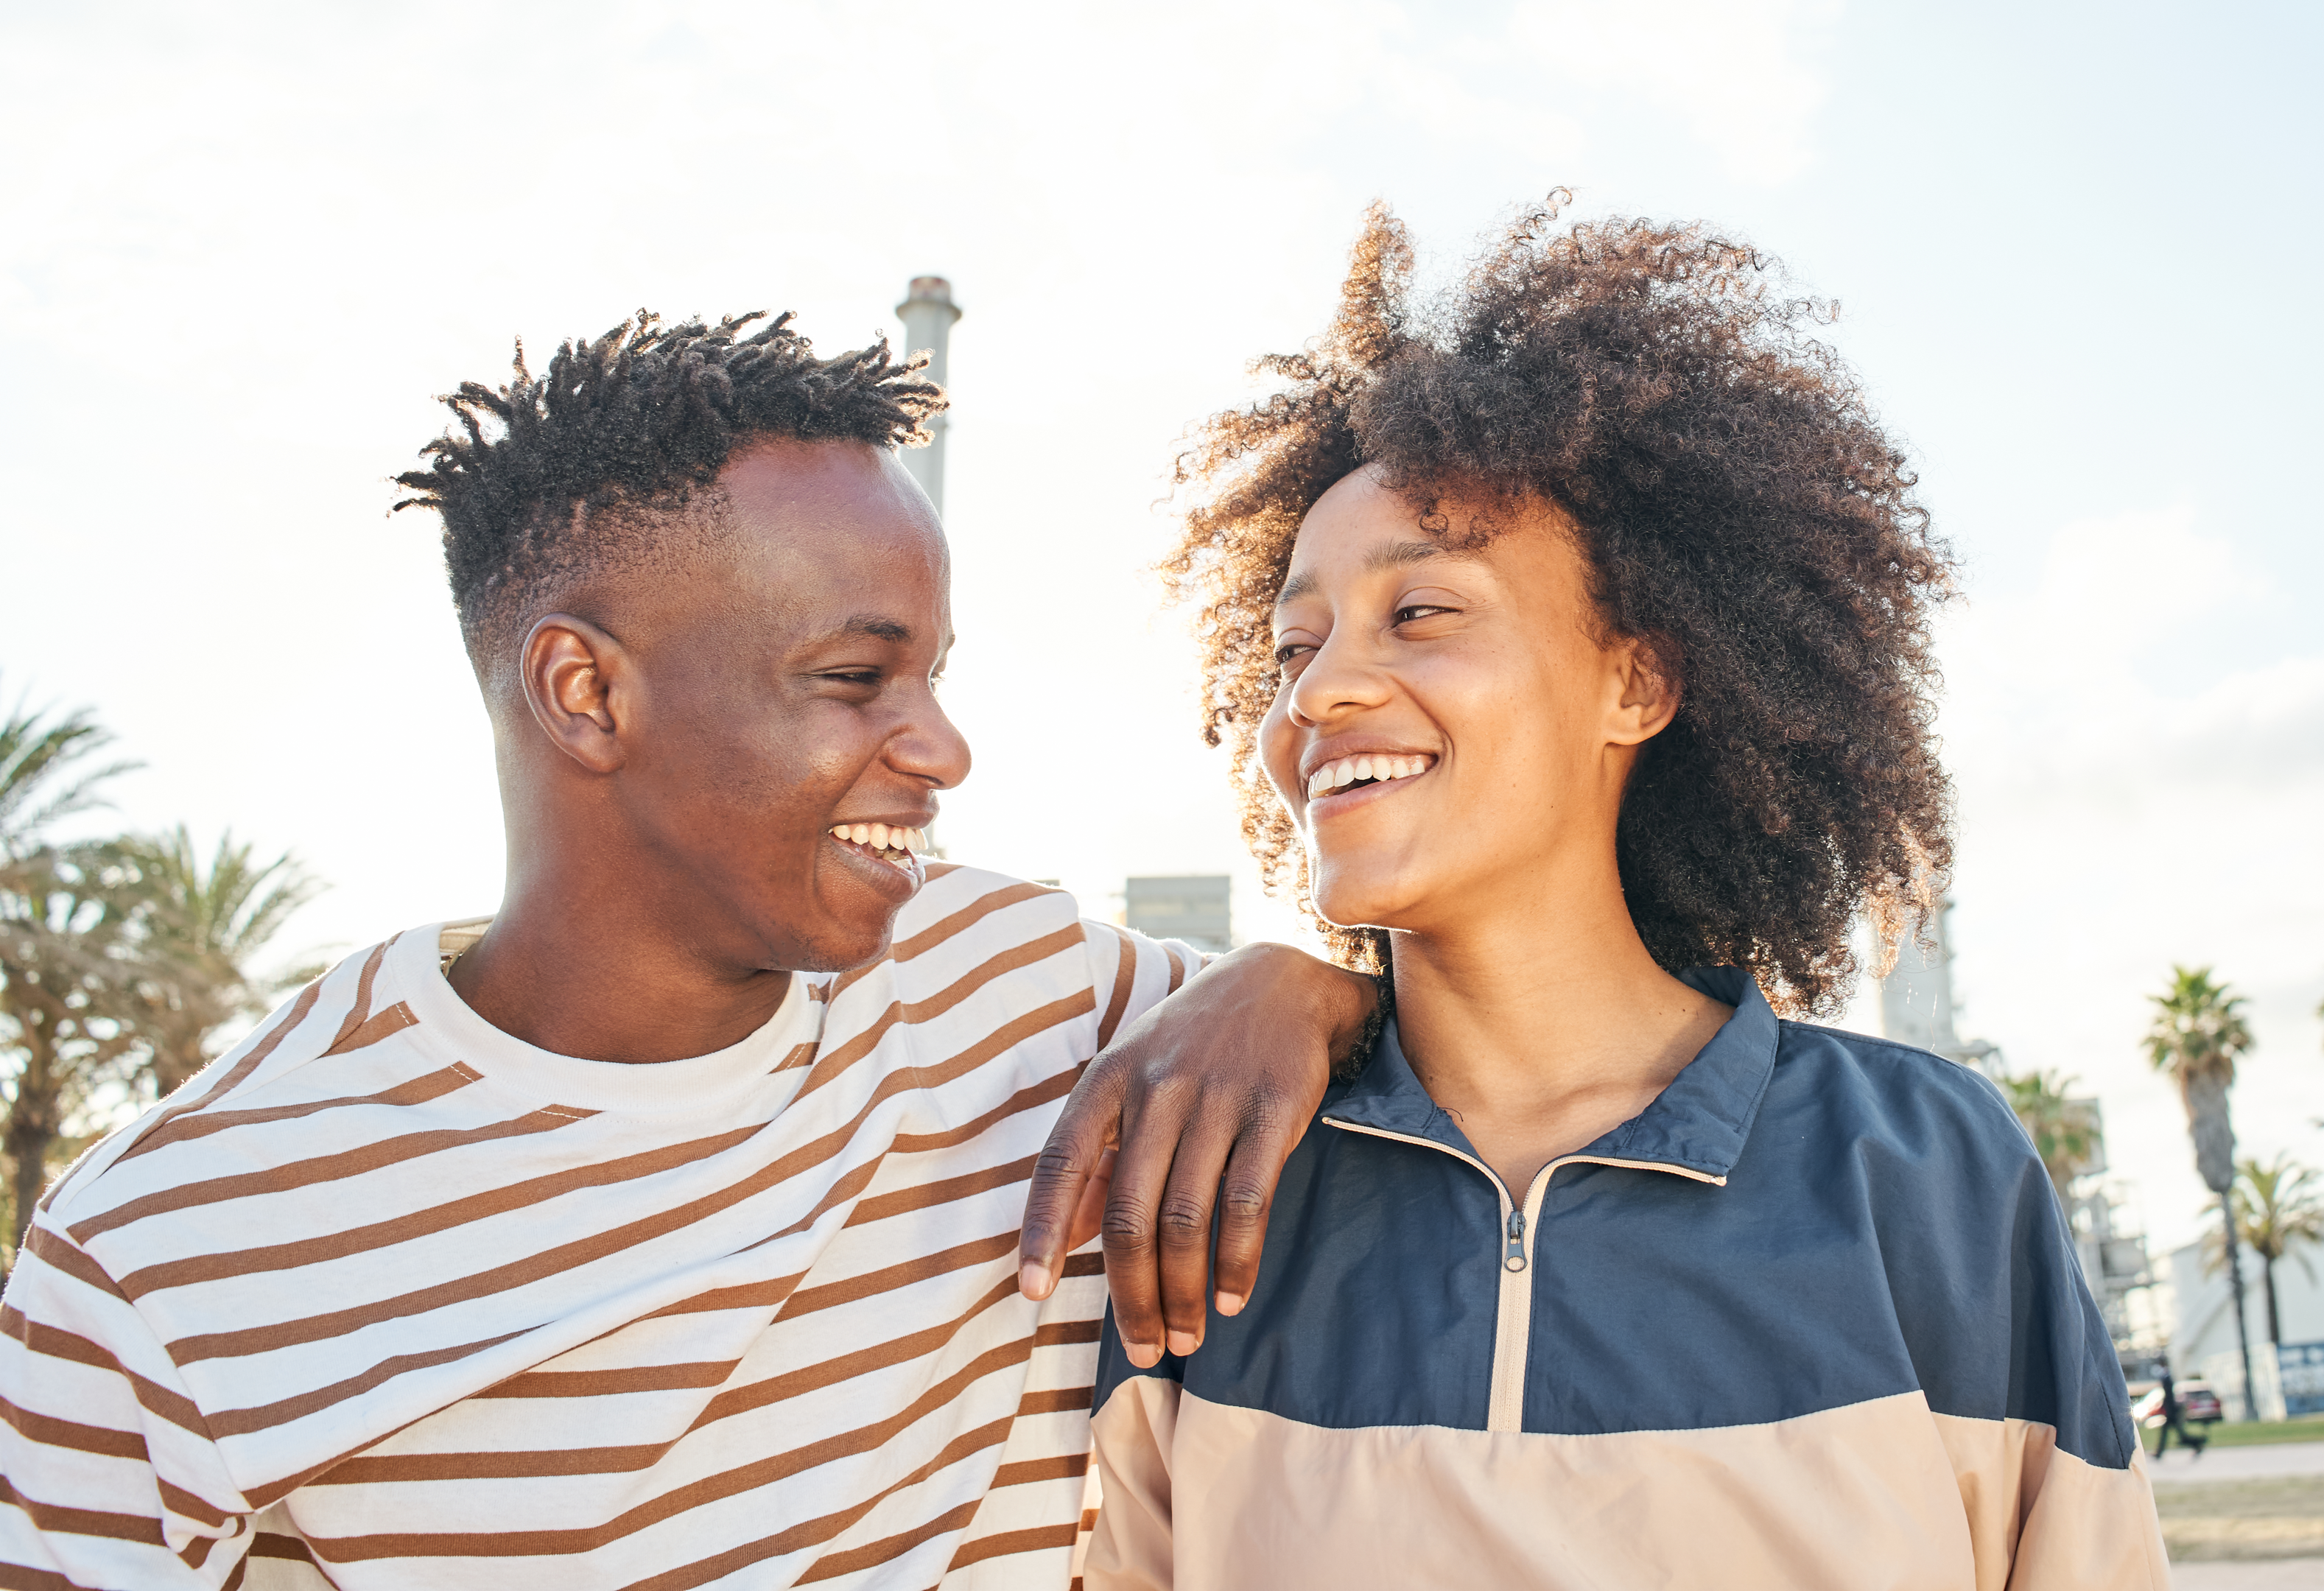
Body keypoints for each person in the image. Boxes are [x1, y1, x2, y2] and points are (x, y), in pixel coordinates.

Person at [0, 312, 1366, 1589]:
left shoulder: (1030, 987)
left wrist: (1305, 986)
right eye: (855, 678)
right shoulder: (162, 1248)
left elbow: (1453, 1033)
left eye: (937, 674)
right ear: (585, 693)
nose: (944, 749)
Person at [1084, 200, 2172, 1589]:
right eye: (1296, 642)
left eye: (1422, 613)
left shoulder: (1926, 1169)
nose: (1321, 690)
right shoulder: (1216, 1179)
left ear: (1636, 681)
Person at [2152, 1361, 2208, 1458]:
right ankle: (2159, 1453)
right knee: (2168, 1433)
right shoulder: (2166, 1378)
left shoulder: (2167, 1379)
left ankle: (2198, 1442)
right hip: (2171, 1411)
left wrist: (2168, 1411)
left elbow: (2169, 1397)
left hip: (2172, 1412)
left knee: (2181, 1436)